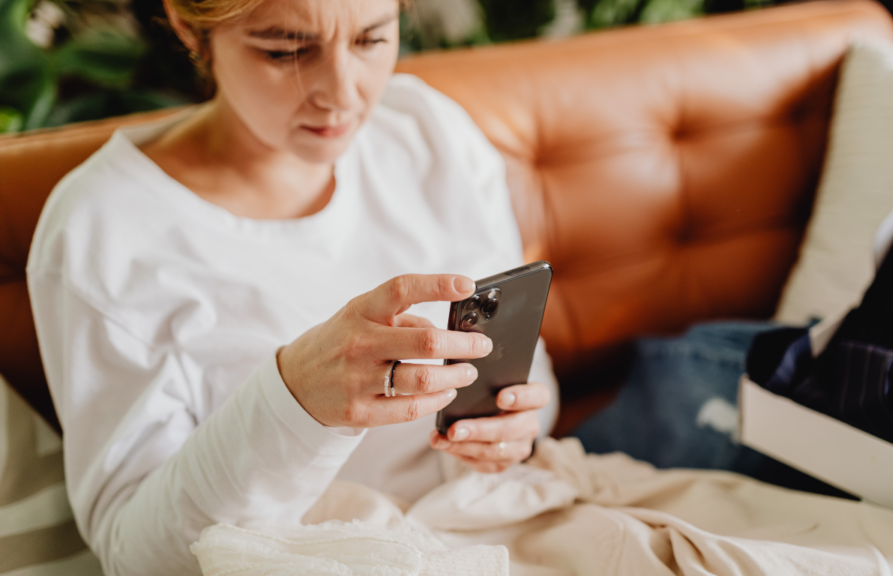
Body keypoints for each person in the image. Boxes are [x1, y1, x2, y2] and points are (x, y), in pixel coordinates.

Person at [26, 0, 558, 574]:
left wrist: (508, 430)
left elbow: (532, 381)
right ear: (187, 25)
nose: (342, 94)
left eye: (372, 39)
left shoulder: (427, 131)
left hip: (507, 524)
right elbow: (136, 557)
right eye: (286, 51)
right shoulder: (102, 229)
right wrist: (294, 403)